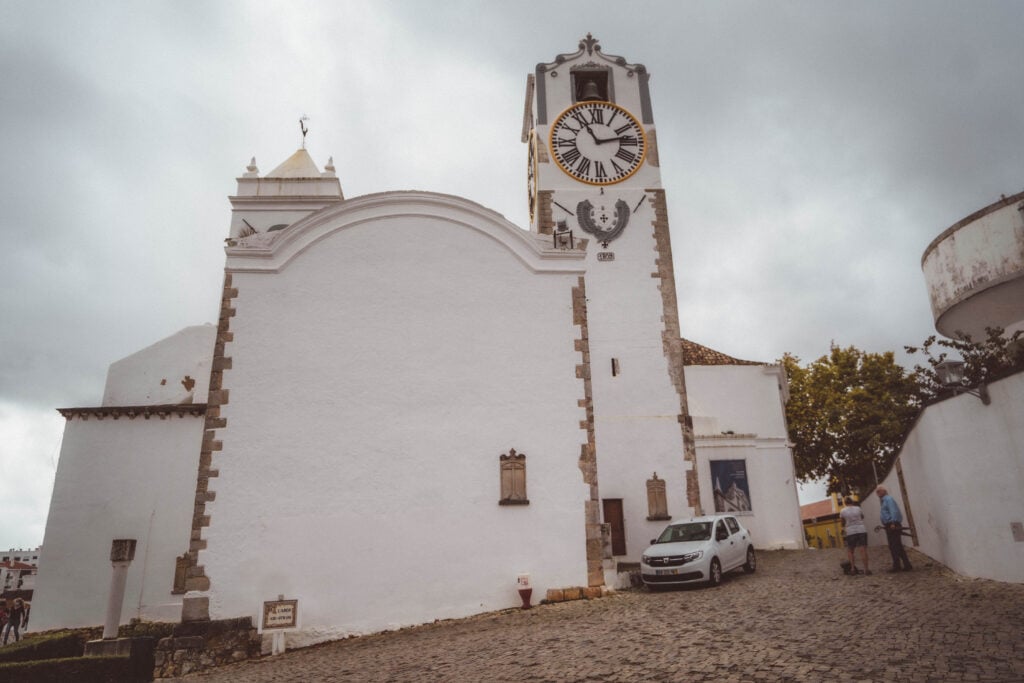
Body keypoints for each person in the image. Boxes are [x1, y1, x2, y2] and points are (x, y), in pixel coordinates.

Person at [877, 486, 913, 572]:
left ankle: (897, 566)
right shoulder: (884, 501)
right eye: (876, 492)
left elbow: (893, 511)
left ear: (884, 491)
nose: (877, 493)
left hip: (892, 525)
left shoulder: (888, 499)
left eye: (879, 491)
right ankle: (907, 564)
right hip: (889, 525)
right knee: (897, 545)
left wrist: (893, 522)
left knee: (894, 546)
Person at [839, 497, 871, 575]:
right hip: (861, 529)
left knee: (850, 550)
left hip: (850, 531)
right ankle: (866, 569)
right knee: (863, 550)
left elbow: (842, 522)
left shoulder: (843, 511)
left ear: (845, 503)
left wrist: (844, 526)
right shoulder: (858, 508)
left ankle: (852, 569)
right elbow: (862, 517)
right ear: (852, 502)